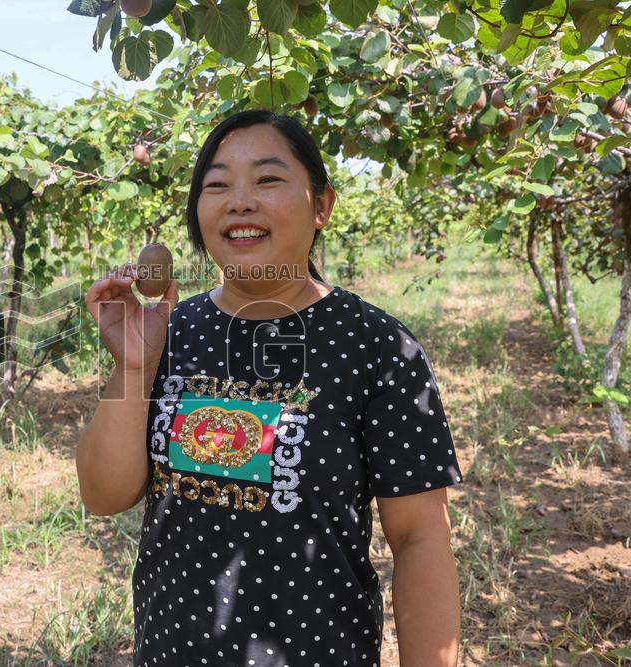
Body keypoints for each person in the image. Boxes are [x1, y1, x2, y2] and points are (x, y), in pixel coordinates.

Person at [78, 109, 464, 667]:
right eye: (217, 185)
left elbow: (419, 539)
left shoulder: (376, 347)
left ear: (322, 205)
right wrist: (134, 367)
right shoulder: (171, 330)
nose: (239, 202)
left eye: (267, 179)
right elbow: (103, 496)